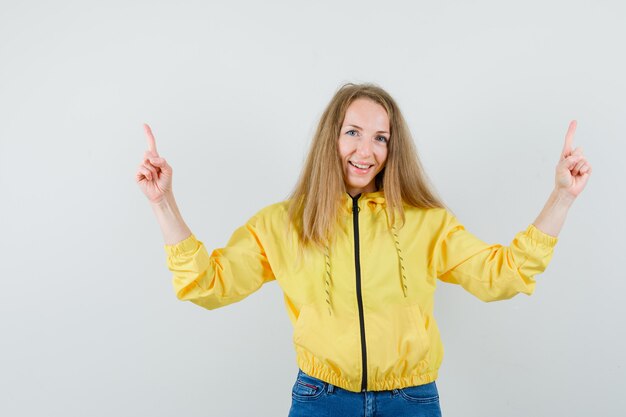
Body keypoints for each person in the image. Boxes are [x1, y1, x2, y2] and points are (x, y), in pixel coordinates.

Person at [136, 83, 592, 417]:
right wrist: (163, 203)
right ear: (331, 138)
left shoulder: (426, 222)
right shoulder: (282, 224)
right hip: (320, 398)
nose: (366, 150)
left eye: (380, 138)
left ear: (393, 149)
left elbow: (503, 275)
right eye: (353, 132)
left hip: (411, 400)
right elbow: (208, 284)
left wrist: (562, 198)